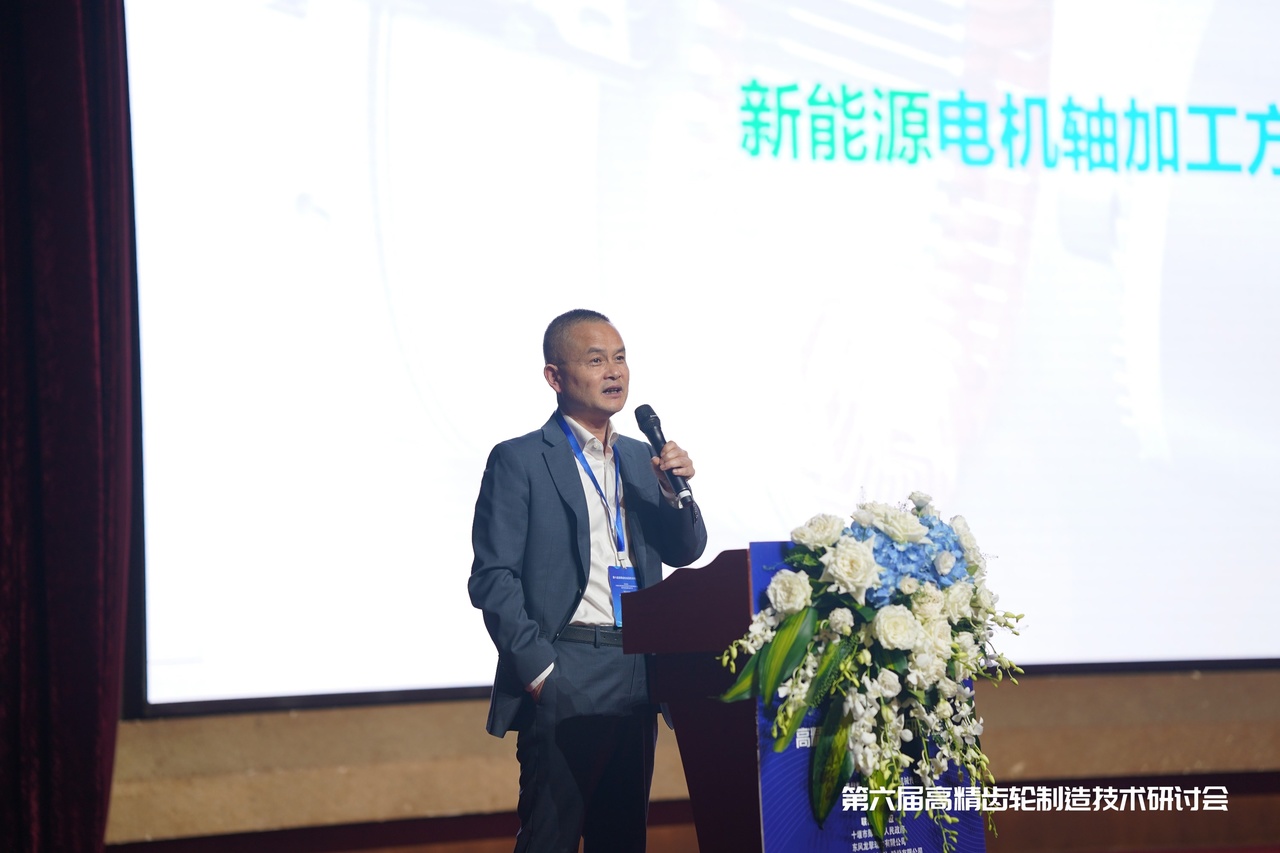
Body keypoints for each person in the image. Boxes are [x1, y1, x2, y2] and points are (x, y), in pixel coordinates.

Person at [468, 308, 708, 853]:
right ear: (555, 377)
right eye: (596, 360)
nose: (614, 371)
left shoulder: (641, 456)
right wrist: (540, 671)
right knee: (550, 838)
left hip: (638, 666)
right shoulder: (520, 459)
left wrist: (673, 493)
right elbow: (492, 577)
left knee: (622, 839)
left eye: (620, 358)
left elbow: (686, 551)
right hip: (567, 666)